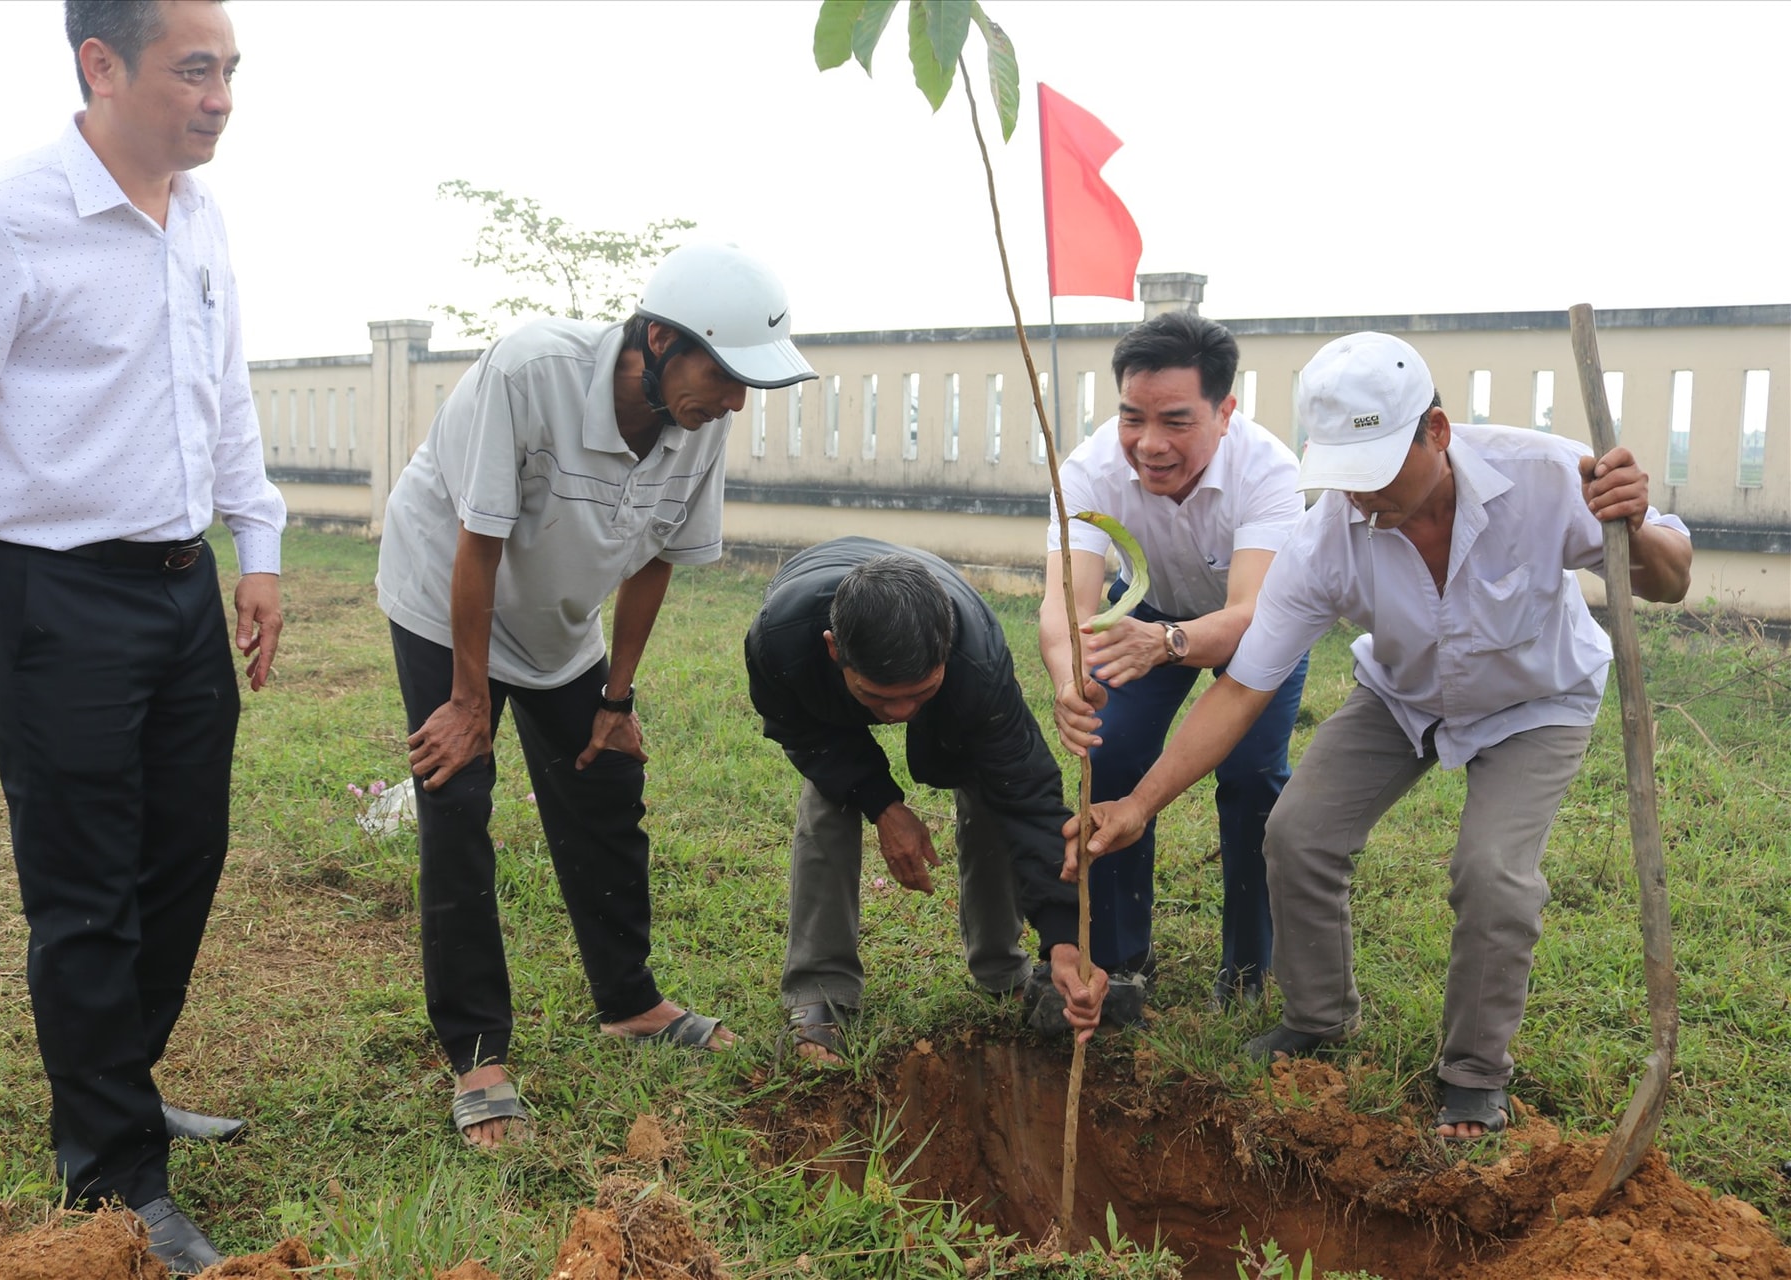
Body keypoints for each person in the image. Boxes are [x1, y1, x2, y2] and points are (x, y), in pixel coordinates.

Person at [0, 1, 284, 1269]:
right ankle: (110, 1167)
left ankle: (117, 1074)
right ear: (101, 66)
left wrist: (255, 547)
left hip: (177, 591)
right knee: (87, 890)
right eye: (195, 70)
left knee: (182, 858)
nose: (221, 97)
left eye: (233, 72)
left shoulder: (198, 218)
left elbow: (225, 395)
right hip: (52, 601)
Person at [1067, 332, 1692, 1140]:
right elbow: (1242, 688)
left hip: (1536, 702)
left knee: (1493, 873)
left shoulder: (1547, 478)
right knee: (1297, 834)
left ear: (1435, 431)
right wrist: (1142, 803)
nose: (1363, 499)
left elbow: (1671, 582)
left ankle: (1472, 1074)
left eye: (1378, 474)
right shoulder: (1326, 538)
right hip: (1402, 694)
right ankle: (1319, 1018)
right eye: (1346, 479)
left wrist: (1637, 525)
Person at [376, 241, 817, 1147]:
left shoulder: (698, 419)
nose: (734, 401)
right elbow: (478, 541)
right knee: (456, 798)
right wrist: (467, 703)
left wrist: (616, 697)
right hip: (445, 596)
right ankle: (476, 1053)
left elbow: (657, 556)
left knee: (603, 782)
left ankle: (630, 1002)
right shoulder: (530, 372)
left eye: (746, 386)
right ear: (656, 340)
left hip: (557, 619)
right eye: (725, 375)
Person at [745, 538, 1108, 1065]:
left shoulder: (975, 660)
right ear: (833, 651)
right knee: (829, 800)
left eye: (919, 693)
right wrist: (883, 805)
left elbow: (1026, 797)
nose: (898, 713)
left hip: (942, 627)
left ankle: (1003, 967)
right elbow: (801, 733)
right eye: (877, 697)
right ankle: (819, 994)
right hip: (818, 644)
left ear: (946, 656)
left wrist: (1063, 938)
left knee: (989, 790)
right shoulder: (780, 641)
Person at [1040, 312, 1307, 1009]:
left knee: (1251, 781)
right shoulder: (1091, 468)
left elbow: (1251, 615)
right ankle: (1123, 960)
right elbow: (1067, 603)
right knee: (1116, 753)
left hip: (1260, 623)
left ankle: (1247, 969)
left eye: (1176, 422)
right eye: (1133, 417)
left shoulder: (1270, 471)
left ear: (1225, 411)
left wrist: (1170, 644)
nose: (1149, 445)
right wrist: (1072, 682)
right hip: (1149, 609)